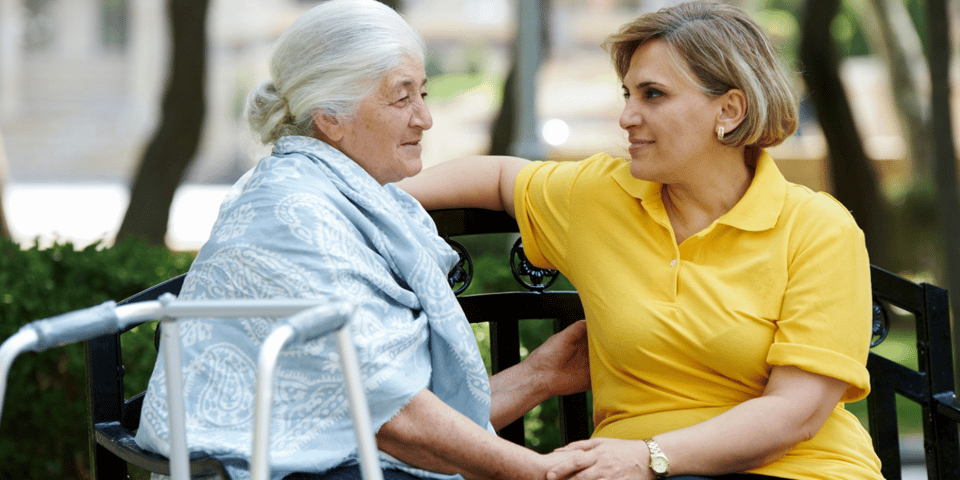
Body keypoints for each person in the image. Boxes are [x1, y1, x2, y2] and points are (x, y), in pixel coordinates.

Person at [397, 2, 883, 479]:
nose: (627, 116)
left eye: (652, 95)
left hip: (803, 469)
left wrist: (648, 456)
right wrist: (356, 198)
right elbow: (501, 177)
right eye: (627, 94)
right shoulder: (601, 197)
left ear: (729, 110)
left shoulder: (818, 229)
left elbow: (795, 413)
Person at [133, 1, 589, 479]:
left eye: (424, 94)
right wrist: (541, 472)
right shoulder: (292, 215)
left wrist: (541, 375)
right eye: (401, 98)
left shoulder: (333, 194)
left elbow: (379, 417)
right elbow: (396, 424)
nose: (424, 119)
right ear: (330, 117)